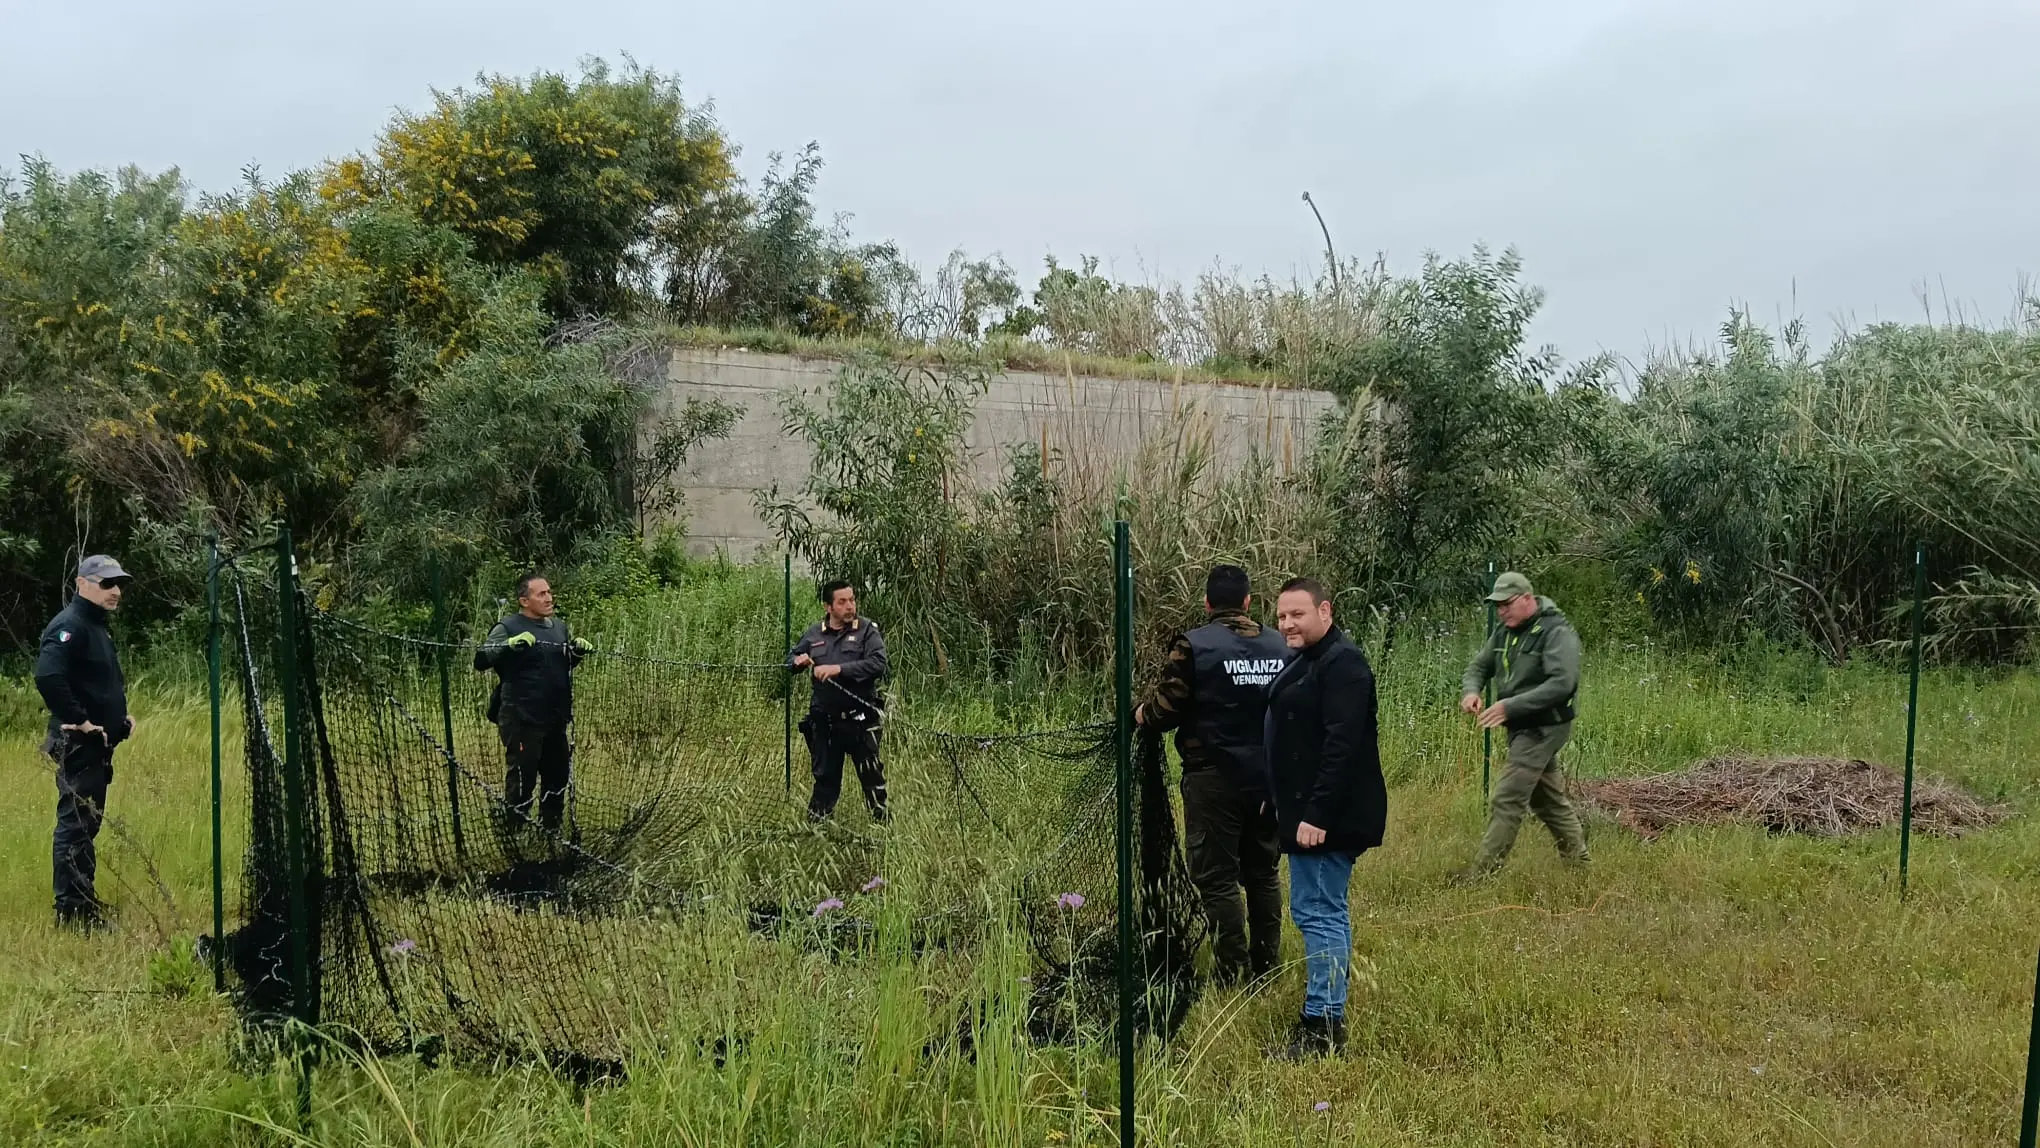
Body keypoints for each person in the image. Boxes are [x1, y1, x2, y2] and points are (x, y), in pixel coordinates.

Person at [1134, 564, 1289, 988]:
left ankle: (1232, 971)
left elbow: (1165, 713)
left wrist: (1138, 715)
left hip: (1212, 778)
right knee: (1263, 870)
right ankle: (1267, 965)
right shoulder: (1280, 646)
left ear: (1206, 604)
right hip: (1269, 778)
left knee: (1217, 876)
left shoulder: (1193, 646)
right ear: (1248, 602)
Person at [1264, 577, 1386, 1058]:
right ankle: (1328, 1015)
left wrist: (1316, 814)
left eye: (1297, 614)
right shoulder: (1307, 660)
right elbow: (1296, 739)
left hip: (1327, 817)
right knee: (1325, 912)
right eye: (1281, 616)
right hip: (1302, 808)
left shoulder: (1344, 664)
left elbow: (1343, 746)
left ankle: (1320, 1027)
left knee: (1316, 913)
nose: (1287, 623)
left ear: (1325, 612)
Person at [1456, 571, 1589, 878]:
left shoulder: (1556, 632)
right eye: (1497, 606)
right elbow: (1479, 666)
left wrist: (1509, 706)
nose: (1501, 611)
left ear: (1527, 598)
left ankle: (1481, 875)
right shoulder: (1504, 633)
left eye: (1507, 604)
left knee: (1507, 798)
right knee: (1548, 802)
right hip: (1520, 727)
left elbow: (1562, 684)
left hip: (1543, 727)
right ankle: (1580, 868)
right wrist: (1472, 691)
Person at [35, 555, 136, 929]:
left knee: (87, 824)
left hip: (97, 747)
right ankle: (73, 913)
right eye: (106, 583)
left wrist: (118, 721)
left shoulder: (96, 627)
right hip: (77, 744)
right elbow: (48, 677)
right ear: (82, 584)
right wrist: (81, 721)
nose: (116, 591)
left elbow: (95, 683)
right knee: (75, 825)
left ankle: (83, 901)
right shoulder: (70, 625)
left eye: (118, 584)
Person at [474, 572, 591, 835]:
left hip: (555, 716)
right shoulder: (508, 627)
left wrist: (576, 654)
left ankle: (551, 831)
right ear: (524, 601)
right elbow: (480, 660)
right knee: (523, 777)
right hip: (522, 716)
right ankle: (515, 832)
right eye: (542, 594)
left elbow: (559, 665)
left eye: (549, 592)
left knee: (557, 776)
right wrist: (507, 646)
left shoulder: (559, 627)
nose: (549, 598)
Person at [788, 580, 889, 822]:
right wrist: (797, 661)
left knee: (872, 779)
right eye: (842, 602)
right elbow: (791, 657)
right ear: (828, 607)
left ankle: (883, 831)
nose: (849, 606)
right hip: (826, 724)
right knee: (825, 781)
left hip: (860, 722)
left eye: (852, 600)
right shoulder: (814, 634)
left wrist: (838, 669)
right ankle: (815, 832)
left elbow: (878, 664)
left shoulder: (866, 630)